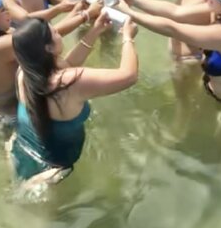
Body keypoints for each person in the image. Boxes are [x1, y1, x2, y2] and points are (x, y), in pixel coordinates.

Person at [10, 13, 139, 183]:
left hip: (21, 152)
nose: (59, 35)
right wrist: (128, 37)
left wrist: (95, 31)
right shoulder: (69, 83)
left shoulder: (25, 72)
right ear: (48, 49)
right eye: (56, 33)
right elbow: (129, 76)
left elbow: (67, 66)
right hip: (52, 173)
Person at [0, 0, 98, 127]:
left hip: (0, 101)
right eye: (2, 10)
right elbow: (48, 36)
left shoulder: (1, 37)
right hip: (5, 116)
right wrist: (86, 15)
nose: (8, 13)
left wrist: (77, 11)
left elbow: (48, 31)